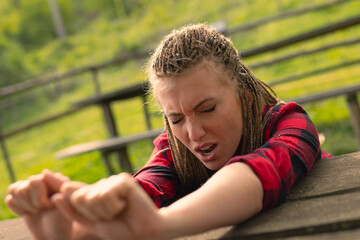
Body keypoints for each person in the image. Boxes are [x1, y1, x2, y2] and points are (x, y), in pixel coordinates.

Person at [5, 23, 331, 240]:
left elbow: (259, 174)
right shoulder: (172, 148)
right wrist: (72, 215)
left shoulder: (290, 123)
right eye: (175, 118)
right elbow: (147, 188)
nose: (194, 132)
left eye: (207, 109)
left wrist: (160, 225)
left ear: (244, 96)